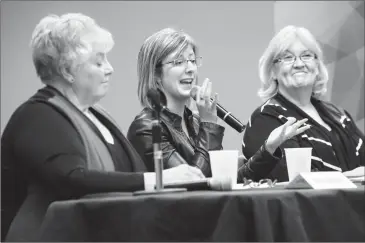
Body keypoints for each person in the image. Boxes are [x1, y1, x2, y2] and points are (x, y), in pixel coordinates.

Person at [0, 14, 205, 242]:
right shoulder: (37, 116)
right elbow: (72, 179)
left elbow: (130, 176)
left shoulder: (98, 115)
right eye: (99, 62)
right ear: (68, 70)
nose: (110, 69)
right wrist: (159, 179)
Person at [127, 28, 310, 181]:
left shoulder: (195, 122)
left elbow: (225, 182)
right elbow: (195, 184)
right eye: (179, 62)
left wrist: (268, 148)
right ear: (156, 74)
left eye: (192, 60)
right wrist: (209, 124)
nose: (190, 69)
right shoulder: (148, 128)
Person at [242, 25, 364, 182]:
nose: (299, 64)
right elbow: (292, 181)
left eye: (306, 56)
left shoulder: (339, 116)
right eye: (287, 57)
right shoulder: (264, 119)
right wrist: (348, 179)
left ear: (317, 66)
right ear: (272, 71)